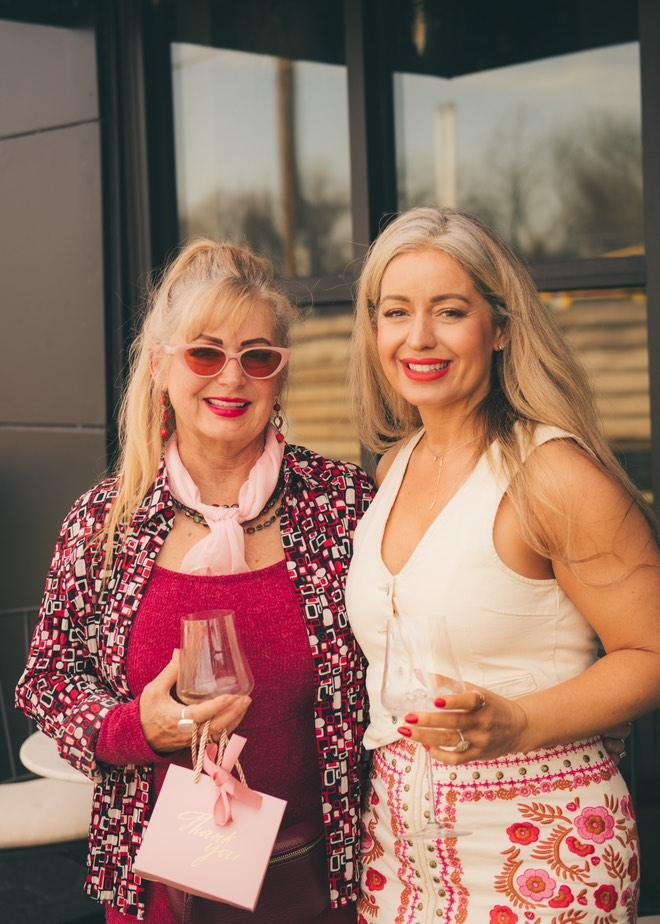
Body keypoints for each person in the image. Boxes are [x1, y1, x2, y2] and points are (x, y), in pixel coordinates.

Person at [15, 241, 373, 923]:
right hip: (161, 889)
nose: (231, 378)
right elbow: (48, 681)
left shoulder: (342, 505)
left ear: (280, 375)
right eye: (205, 354)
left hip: (323, 883)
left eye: (258, 357)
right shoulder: (106, 521)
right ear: (160, 366)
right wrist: (137, 727)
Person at [346, 207, 660, 922]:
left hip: (544, 845)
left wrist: (518, 721)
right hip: (395, 850)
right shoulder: (394, 467)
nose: (418, 338)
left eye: (450, 311)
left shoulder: (553, 474)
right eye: (396, 312)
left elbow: (651, 650)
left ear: (502, 327)